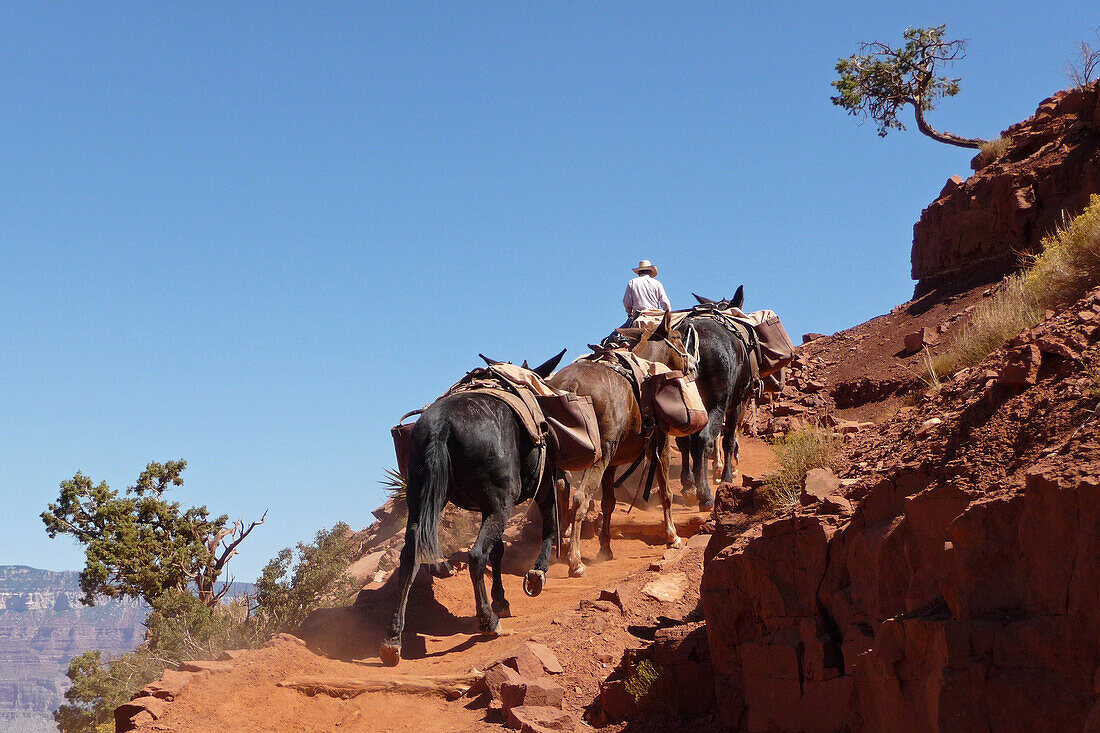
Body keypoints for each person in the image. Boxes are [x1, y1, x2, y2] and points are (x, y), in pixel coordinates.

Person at [622, 259, 671, 324]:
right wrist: (667, 315)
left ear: (639, 272)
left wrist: (629, 312)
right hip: (656, 318)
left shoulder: (633, 282)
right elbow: (665, 303)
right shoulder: (657, 283)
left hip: (639, 317)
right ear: (650, 272)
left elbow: (627, 303)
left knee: (616, 334)